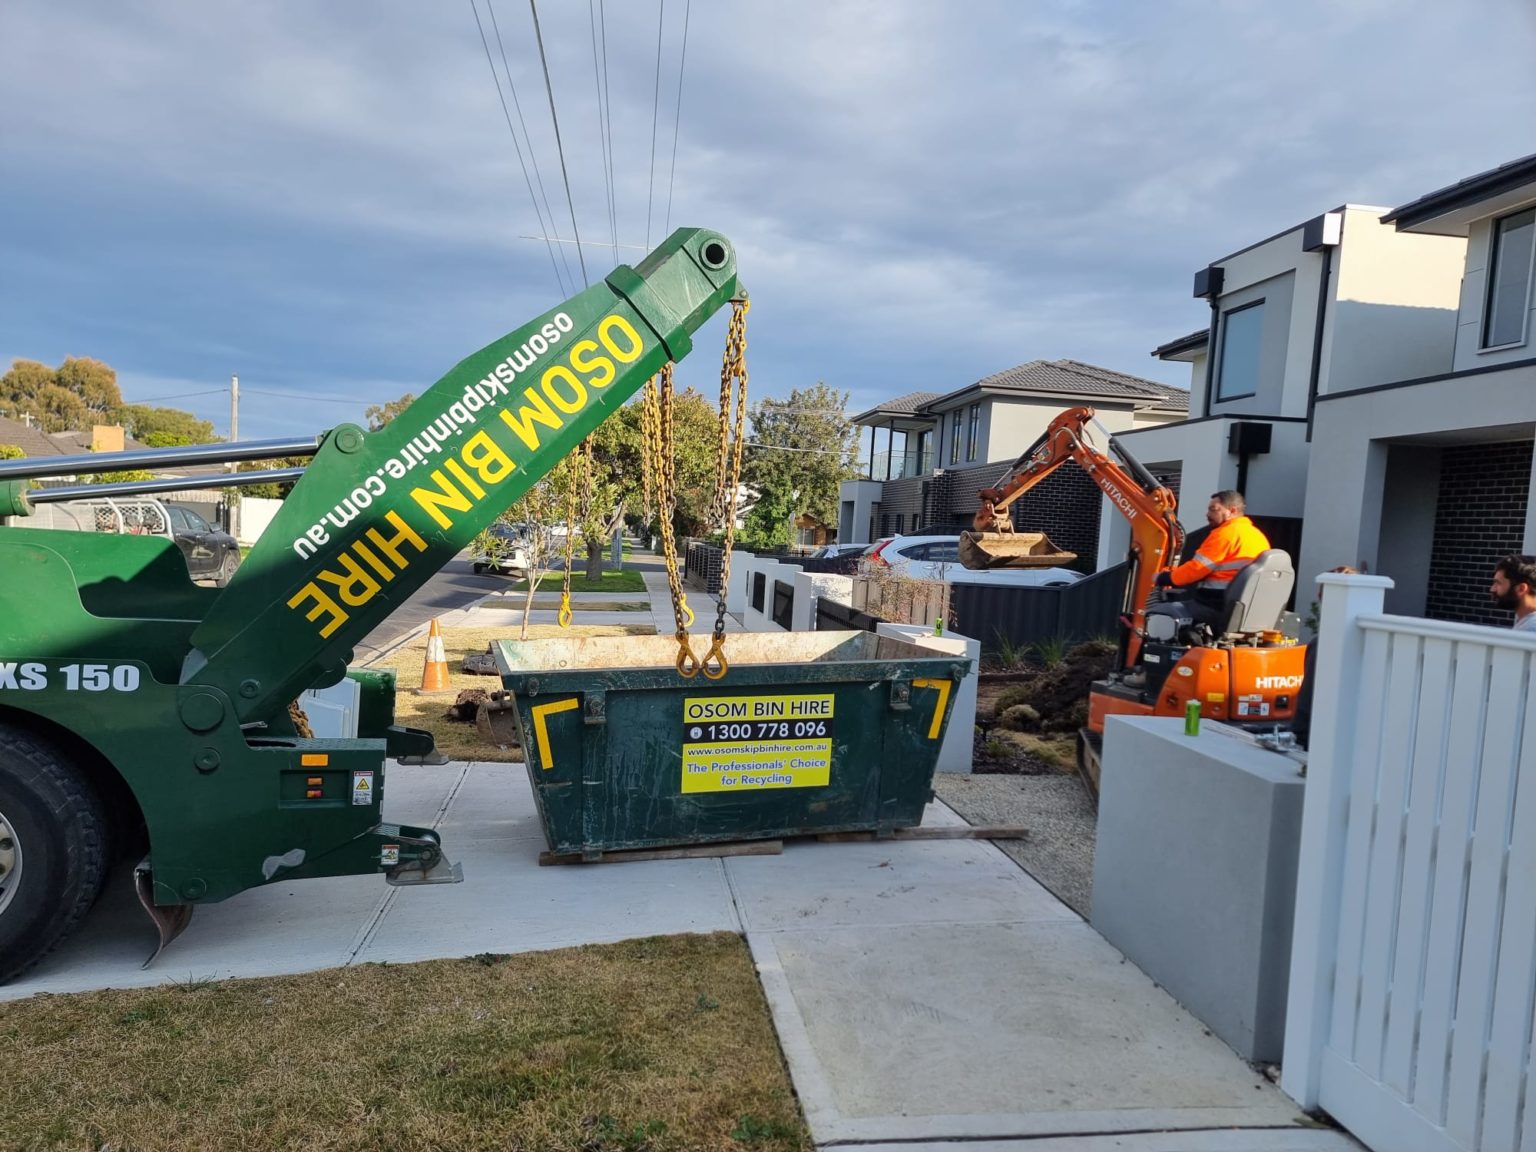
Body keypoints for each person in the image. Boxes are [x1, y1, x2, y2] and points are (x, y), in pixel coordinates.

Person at [1147, 490, 1271, 633]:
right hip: (1242, 608)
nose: (1208, 514)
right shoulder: (1257, 535)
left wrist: (1164, 577)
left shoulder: (1225, 534)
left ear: (1232, 510)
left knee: (1160, 613)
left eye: (1213, 510)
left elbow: (1196, 568)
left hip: (1216, 606)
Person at [1292, 566, 1358, 751]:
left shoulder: (1324, 645)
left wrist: (1299, 739)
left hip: (1321, 744)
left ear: (1321, 598)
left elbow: (1307, 702)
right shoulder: (1378, 644)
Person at [1489, 554, 1536, 632]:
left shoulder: (1530, 630)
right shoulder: (1527, 624)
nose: (1492, 589)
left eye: (1498, 583)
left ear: (1521, 589)